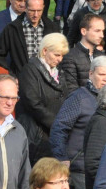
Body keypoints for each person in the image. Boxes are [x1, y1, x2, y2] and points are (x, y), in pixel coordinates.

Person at [51, 55, 106, 189]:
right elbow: (59, 128)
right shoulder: (79, 98)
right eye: (102, 75)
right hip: (81, 169)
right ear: (91, 73)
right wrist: (62, 157)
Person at [16, 32, 69, 162]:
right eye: (57, 55)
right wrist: (56, 124)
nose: (60, 59)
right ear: (45, 51)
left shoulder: (58, 71)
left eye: (62, 56)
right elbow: (33, 103)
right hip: (37, 135)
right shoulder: (30, 70)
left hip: (53, 133)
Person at [0, 0, 59, 77]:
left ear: (43, 7)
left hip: (47, 79)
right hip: (23, 80)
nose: (36, 15)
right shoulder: (12, 29)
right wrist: (11, 75)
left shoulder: (52, 28)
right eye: (32, 11)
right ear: (25, 8)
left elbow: (60, 53)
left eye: (39, 10)